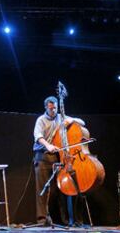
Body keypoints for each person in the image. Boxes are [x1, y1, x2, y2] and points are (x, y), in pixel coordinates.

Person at [33, 96, 85, 225]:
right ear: (46, 107)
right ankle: (42, 220)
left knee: (63, 188)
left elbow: (82, 122)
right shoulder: (41, 120)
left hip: (58, 156)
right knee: (42, 190)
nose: (53, 111)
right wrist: (48, 145)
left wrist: (71, 119)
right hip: (43, 155)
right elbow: (38, 136)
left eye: (55, 108)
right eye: (51, 108)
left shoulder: (60, 117)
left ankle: (66, 220)